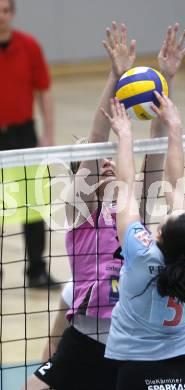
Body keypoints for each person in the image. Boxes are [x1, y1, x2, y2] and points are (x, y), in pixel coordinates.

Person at [23, 21, 185, 390]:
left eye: (107, 159)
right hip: (85, 340)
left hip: (131, 341)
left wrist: (163, 81)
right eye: (94, 162)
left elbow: (157, 149)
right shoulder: (81, 214)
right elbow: (98, 136)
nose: (104, 162)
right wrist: (114, 75)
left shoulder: (134, 216)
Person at [102, 94, 185, 390]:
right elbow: (175, 186)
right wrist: (175, 126)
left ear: (159, 235)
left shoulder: (141, 252)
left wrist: (125, 133)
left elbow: (127, 188)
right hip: (182, 366)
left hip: (135, 366)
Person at [0, 0, 56, 288]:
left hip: (23, 135)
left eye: (5, 10)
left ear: (12, 14)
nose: (1, 16)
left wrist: (47, 133)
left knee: (32, 203)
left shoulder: (29, 46)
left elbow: (44, 90)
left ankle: (36, 269)